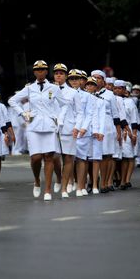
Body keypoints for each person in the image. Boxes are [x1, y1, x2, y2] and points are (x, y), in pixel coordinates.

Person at [8, 60, 68, 201]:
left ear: (46, 72)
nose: (40, 72)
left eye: (43, 70)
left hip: (49, 125)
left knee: (49, 157)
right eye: (37, 70)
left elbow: (65, 104)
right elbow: (12, 101)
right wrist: (23, 113)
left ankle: (47, 190)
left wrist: (59, 119)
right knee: (35, 158)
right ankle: (36, 180)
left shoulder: (54, 88)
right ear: (34, 72)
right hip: (34, 126)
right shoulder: (29, 88)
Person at [52, 63, 83, 196]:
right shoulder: (49, 89)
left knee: (68, 157)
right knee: (53, 157)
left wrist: (77, 126)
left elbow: (80, 112)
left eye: (61, 73)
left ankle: (64, 187)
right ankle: (59, 178)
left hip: (69, 127)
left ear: (65, 76)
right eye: (56, 73)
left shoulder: (73, 92)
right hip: (52, 127)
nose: (59, 75)